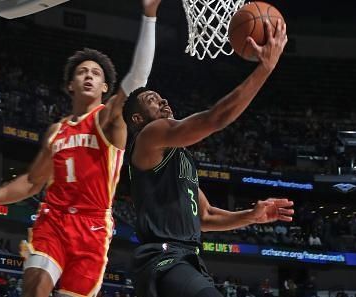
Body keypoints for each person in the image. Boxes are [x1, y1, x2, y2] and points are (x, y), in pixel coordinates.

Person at [0, 0, 161, 296]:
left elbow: (137, 81)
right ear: (70, 84)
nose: (88, 76)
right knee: (35, 287)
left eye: (95, 74)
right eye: (82, 72)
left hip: (93, 227)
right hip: (54, 219)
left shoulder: (109, 119)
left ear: (104, 88)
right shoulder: (56, 132)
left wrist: (149, 15)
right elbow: (32, 182)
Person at [123, 19, 291, 297]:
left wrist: (251, 215)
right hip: (164, 259)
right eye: (153, 99)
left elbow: (206, 215)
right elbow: (215, 118)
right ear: (138, 118)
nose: (164, 101)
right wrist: (265, 68)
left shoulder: (181, 158)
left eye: (163, 98)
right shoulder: (149, 135)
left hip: (186, 261)